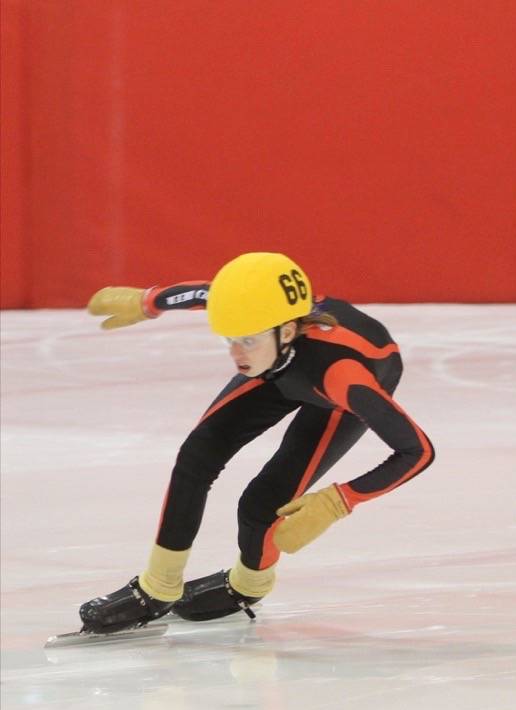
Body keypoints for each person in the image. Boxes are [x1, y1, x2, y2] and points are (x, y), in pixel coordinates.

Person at [77, 253, 435, 633]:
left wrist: (338, 501)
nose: (236, 354)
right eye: (230, 339)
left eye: (247, 340)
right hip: (280, 366)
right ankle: (158, 587)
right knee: (197, 455)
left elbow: (418, 451)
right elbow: (204, 293)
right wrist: (147, 302)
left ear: (286, 331)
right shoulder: (259, 328)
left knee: (263, 502)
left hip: (335, 391)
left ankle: (248, 585)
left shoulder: (341, 376)